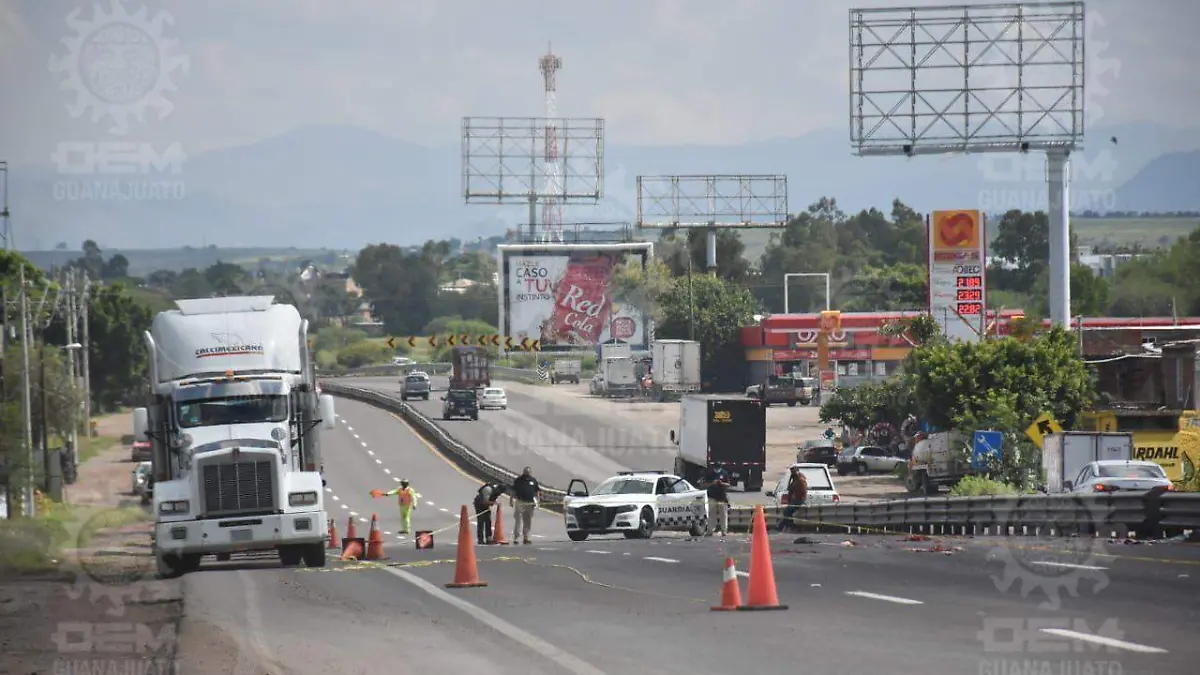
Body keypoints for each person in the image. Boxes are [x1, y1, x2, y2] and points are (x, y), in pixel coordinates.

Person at [510, 467, 539, 545]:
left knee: (528, 521)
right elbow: (513, 491)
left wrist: (537, 501)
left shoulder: (533, 480)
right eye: (526, 472)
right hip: (520, 501)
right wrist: (511, 500)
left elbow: (537, 491)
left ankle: (526, 537)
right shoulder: (518, 480)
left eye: (528, 472)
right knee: (518, 520)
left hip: (530, 503)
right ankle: (516, 537)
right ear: (523, 472)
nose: (527, 473)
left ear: (530, 473)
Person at [779, 466, 808, 532]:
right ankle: (785, 526)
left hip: (799, 500)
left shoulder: (800, 480)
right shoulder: (796, 478)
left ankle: (791, 526)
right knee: (787, 512)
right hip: (796, 499)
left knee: (787, 512)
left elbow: (802, 492)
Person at [702, 467, 730, 537]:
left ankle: (724, 531)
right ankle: (710, 531)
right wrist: (712, 483)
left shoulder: (724, 473)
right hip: (712, 496)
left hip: (722, 497)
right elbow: (704, 484)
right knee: (711, 514)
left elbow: (728, 485)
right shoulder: (709, 473)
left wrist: (722, 483)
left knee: (723, 514)